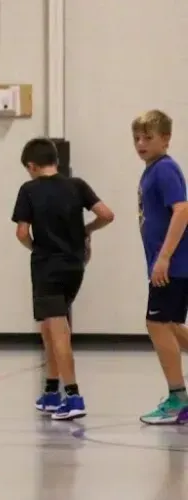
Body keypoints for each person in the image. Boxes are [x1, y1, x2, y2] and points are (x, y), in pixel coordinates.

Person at [10, 138, 114, 421]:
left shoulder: (29, 190)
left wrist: (37, 248)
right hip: (75, 267)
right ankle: (51, 391)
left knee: (58, 332)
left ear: (31, 166)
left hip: (47, 268)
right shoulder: (77, 185)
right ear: (55, 160)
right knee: (49, 326)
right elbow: (106, 214)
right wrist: (86, 230)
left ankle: (74, 395)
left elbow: (21, 233)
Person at [133, 109, 188, 425]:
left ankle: (178, 397)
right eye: (137, 138)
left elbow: (182, 211)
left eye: (148, 138)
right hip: (171, 265)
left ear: (166, 139)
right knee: (171, 327)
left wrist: (164, 257)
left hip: (173, 265)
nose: (141, 143)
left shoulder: (165, 169)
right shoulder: (152, 170)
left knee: (157, 325)